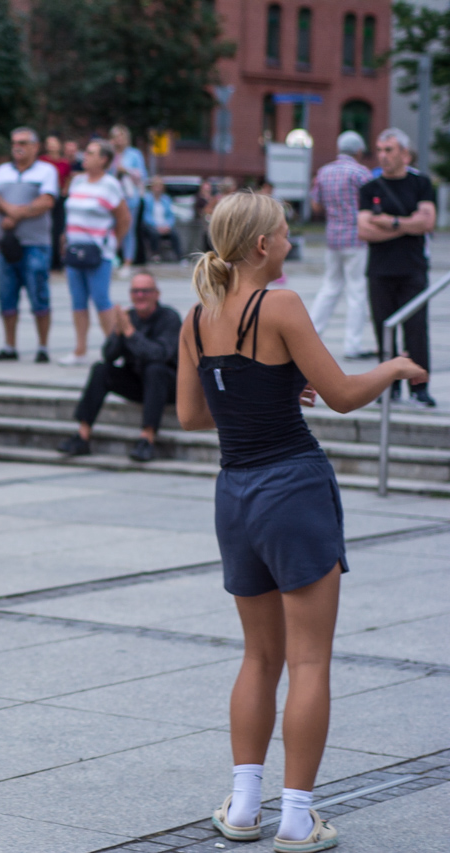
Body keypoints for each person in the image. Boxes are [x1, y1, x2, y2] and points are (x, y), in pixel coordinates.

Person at [177, 192, 426, 853]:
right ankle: (296, 815)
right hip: (292, 486)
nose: (293, 243)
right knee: (310, 659)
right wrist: (396, 365)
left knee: (259, 657)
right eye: (287, 235)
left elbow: (193, 416)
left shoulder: (197, 315)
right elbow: (343, 396)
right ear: (262, 246)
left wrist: (277, 385)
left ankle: (244, 806)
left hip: (234, 493)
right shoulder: (280, 304)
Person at [58, 273, 180, 462]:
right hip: (137, 383)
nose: (140, 295)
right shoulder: (128, 317)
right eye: (135, 291)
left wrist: (130, 333)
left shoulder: (170, 318)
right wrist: (117, 333)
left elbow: (160, 355)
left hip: (167, 386)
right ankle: (82, 435)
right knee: (101, 370)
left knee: (155, 369)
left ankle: (146, 439)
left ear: (156, 294)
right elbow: (109, 355)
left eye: (145, 291)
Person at [357, 128, 438, 408]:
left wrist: (389, 223)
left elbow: (427, 222)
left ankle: (420, 388)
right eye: (379, 150)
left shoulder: (421, 184)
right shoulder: (370, 188)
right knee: (383, 329)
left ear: (405, 153)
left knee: (416, 329)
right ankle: (388, 388)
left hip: (413, 269)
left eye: (388, 150)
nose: (382, 155)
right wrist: (407, 225)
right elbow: (365, 230)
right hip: (380, 270)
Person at [0, 126, 60, 362]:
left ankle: (43, 347)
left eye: (23, 142)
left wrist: (14, 214)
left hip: (35, 244)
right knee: (6, 296)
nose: (17, 146)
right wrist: (12, 210)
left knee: (39, 295)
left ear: (35, 147)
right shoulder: (2, 171)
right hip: (7, 245)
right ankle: (10, 346)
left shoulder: (46, 171)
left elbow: (47, 201)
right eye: (14, 142)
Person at [60, 139, 130, 366]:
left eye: (90, 153)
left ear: (104, 160)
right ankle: (79, 349)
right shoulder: (77, 181)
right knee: (78, 301)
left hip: (98, 252)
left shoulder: (110, 184)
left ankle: (113, 350)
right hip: (74, 249)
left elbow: (124, 218)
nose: (85, 157)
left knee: (101, 300)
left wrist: (113, 242)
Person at [307, 132, 373, 359]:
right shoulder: (361, 173)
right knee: (356, 291)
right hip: (356, 237)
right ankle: (352, 345)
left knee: (330, 287)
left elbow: (315, 205)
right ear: (359, 151)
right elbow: (373, 204)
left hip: (333, 237)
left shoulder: (324, 172)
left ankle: (312, 335)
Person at [110, 124, 146, 271]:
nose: (119, 140)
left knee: (128, 230)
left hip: (130, 198)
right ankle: (112, 258)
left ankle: (127, 262)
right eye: (116, 137)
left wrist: (126, 170)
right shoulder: (109, 154)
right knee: (111, 228)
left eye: (121, 137)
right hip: (112, 198)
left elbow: (142, 175)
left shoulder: (134, 154)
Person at [41, 135, 72, 271]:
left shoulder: (64, 162)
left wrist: (65, 190)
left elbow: (68, 178)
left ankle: (57, 260)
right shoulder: (42, 161)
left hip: (59, 198)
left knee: (58, 229)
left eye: (54, 143)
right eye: (49, 143)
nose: (51, 146)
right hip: (46, 197)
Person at [142, 177, 182, 262]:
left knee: (174, 234)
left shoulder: (166, 199)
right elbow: (146, 216)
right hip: (153, 226)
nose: (157, 189)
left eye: (159, 186)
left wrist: (168, 225)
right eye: (156, 186)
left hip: (165, 226)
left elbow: (171, 216)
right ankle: (155, 255)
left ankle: (179, 257)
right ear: (152, 187)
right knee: (153, 234)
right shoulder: (147, 199)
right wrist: (156, 226)